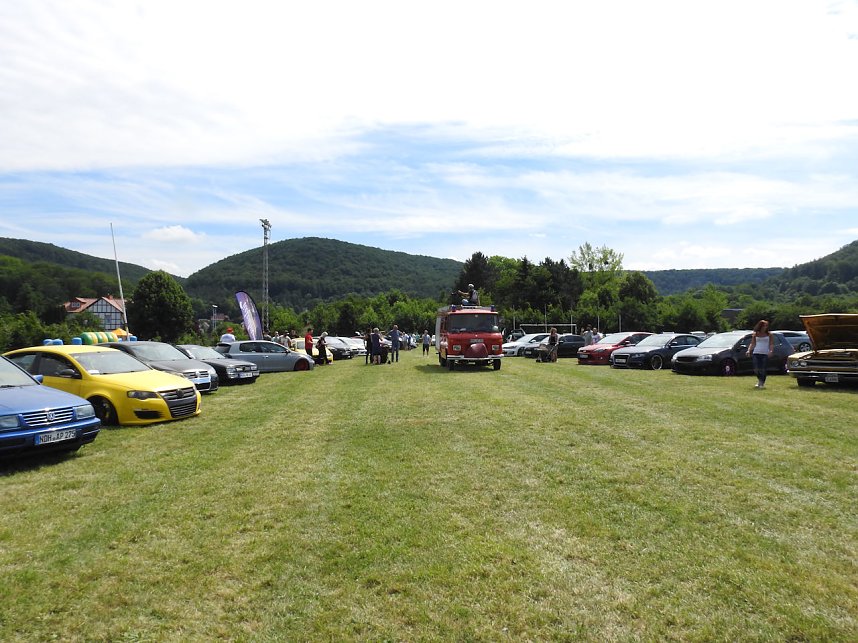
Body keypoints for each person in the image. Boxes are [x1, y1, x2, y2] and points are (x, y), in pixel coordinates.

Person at [747, 319, 774, 389]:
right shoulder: (755, 334)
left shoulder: (769, 334)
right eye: (764, 326)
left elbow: (771, 344)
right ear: (760, 326)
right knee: (756, 369)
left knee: (763, 369)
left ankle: (761, 383)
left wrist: (771, 351)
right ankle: (759, 380)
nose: (765, 327)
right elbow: (752, 343)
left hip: (765, 353)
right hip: (756, 352)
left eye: (766, 326)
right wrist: (749, 350)